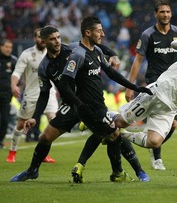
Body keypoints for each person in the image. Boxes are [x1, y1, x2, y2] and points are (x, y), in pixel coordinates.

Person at [10, 17, 151, 182]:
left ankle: (132, 171)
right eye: (52, 39)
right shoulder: (44, 67)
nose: (56, 42)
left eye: (58, 37)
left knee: (113, 133)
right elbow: (44, 94)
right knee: (45, 137)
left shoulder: (72, 49)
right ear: (44, 41)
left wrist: (112, 54)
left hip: (89, 102)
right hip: (72, 105)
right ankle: (32, 171)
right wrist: (35, 116)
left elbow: (95, 46)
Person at [125, 0, 177, 170]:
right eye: (162, 12)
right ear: (155, 14)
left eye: (168, 12)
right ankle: (157, 158)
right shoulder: (148, 35)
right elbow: (137, 61)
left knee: (173, 124)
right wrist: (130, 86)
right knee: (155, 119)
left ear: (171, 14)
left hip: (175, 85)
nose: (165, 15)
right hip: (155, 83)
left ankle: (152, 147)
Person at [6, 28, 59, 163]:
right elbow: (17, 73)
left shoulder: (53, 53)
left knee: (53, 122)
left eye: (43, 37)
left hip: (49, 94)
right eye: (38, 37)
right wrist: (13, 85)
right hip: (31, 95)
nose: (41, 40)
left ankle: (43, 153)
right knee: (21, 123)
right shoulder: (27, 54)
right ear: (35, 39)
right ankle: (12, 151)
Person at [0, 39, 17, 149]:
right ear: (1, 47)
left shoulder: (13, 61)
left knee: (5, 120)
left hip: (6, 96)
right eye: (6, 47)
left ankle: (0, 140)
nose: (8, 49)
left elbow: (17, 77)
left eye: (10, 47)